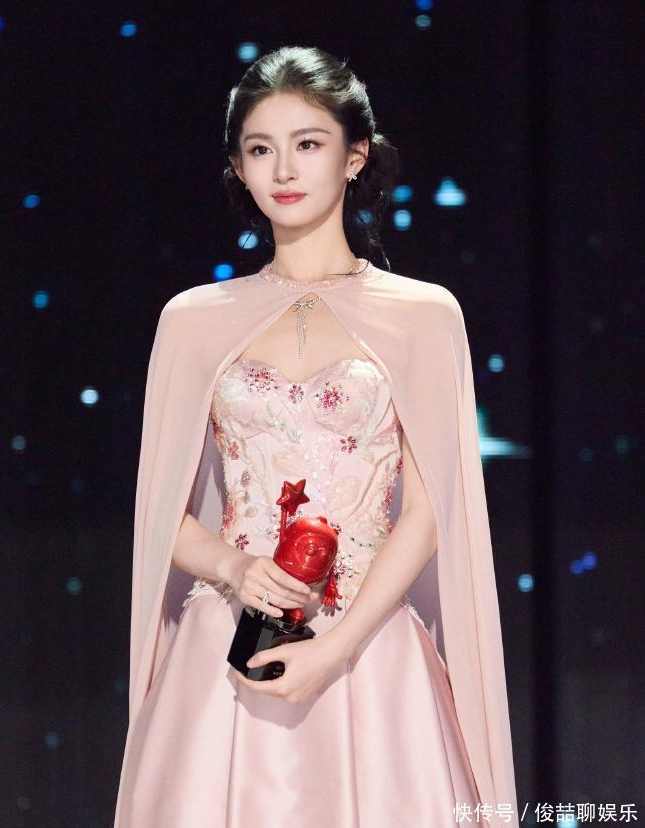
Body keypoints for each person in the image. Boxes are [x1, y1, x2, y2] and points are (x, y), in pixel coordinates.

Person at [114, 45, 519, 828]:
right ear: (238, 168)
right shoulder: (192, 320)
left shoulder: (424, 314)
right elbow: (161, 514)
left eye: (308, 143)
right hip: (228, 644)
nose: (284, 170)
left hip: (371, 651)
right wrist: (235, 566)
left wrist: (335, 648)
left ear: (354, 155)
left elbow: (430, 511)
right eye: (260, 149)